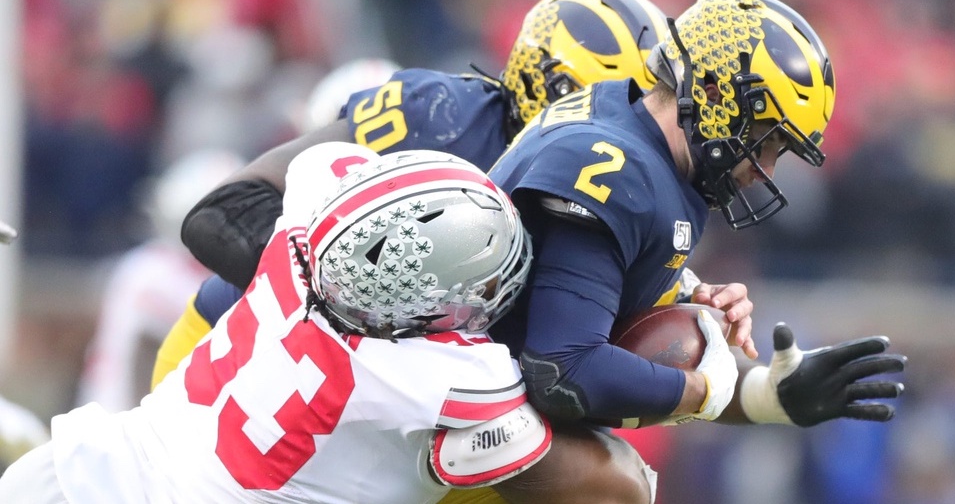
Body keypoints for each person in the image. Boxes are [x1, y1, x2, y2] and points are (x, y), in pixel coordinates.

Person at [169, 0, 906, 503]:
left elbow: (580, 325)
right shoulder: (466, 119)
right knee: (608, 480)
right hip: (261, 369)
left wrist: (732, 366)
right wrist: (347, 304)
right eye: (767, 141)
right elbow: (565, 367)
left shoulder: (637, 170)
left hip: (372, 401)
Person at [0, 143, 562, 503]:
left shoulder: (302, 216)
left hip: (77, 467)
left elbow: (330, 157)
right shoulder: (436, 373)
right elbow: (519, 437)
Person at [75, 148, 245, 413]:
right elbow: (145, 366)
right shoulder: (157, 275)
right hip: (128, 423)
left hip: (102, 417)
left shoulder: (139, 266)